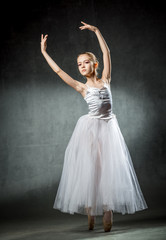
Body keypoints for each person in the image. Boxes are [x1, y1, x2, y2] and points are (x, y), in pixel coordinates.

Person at [40, 21, 148, 232]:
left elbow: (106, 52)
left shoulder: (106, 79)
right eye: (79, 64)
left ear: (95, 65)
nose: (82, 66)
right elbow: (59, 72)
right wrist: (44, 52)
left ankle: (107, 211)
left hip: (109, 128)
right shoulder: (81, 87)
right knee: (92, 169)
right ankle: (91, 211)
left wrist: (97, 31)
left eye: (86, 62)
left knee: (110, 168)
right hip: (90, 130)